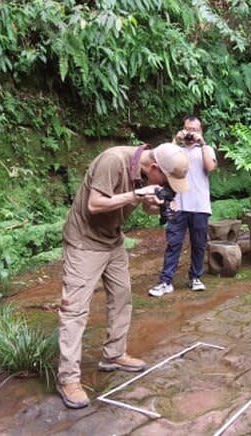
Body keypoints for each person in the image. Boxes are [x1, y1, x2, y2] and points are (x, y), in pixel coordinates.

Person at [57, 142, 190, 409]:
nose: (169, 185)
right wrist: (136, 195)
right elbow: (95, 205)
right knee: (75, 310)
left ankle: (113, 355)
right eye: (166, 181)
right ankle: (68, 379)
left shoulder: (144, 173)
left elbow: (145, 205)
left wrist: (157, 203)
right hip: (84, 242)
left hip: (113, 240)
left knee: (122, 297)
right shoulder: (113, 161)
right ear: (154, 168)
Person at [148, 115, 218, 297]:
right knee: (173, 243)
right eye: (188, 129)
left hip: (200, 205)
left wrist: (202, 144)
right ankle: (166, 281)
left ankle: (195, 277)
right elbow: (163, 166)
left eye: (195, 130)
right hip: (177, 204)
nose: (191, 133)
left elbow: (210, 167)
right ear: (183, 129)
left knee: (199, 244)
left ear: (201, 131)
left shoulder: (207, 149)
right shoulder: (175, 151)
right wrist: (175, 140)